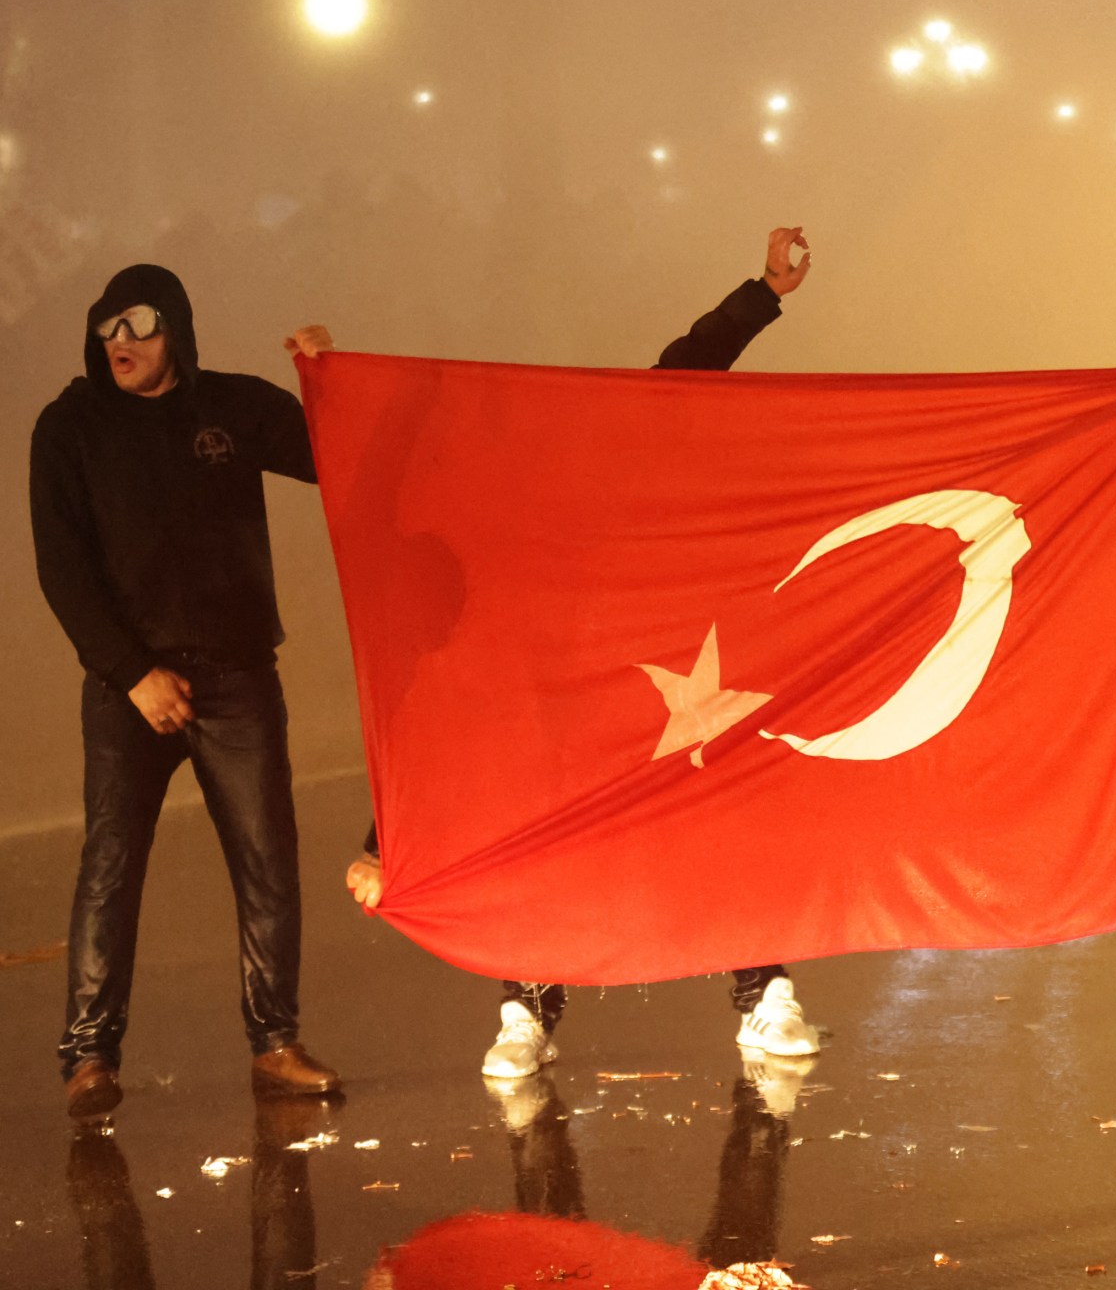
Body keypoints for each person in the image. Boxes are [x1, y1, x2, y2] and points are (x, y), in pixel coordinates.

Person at [344, 227, 825, 1079]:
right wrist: (381, 845)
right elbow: (440, 716)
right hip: (558, 695)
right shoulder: (488, 532)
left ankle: (763, 991)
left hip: (665, 667)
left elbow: (688, 366)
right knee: (533, 819)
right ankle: (524, 1003)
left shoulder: (601, 441)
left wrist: (765, 292)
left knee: (725, 797)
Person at [30, 264, 341, 1120]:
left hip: (237, 674)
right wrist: (133, 674)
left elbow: (335, 454)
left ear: (177, 328)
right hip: (127, 684)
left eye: (138, 326)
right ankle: (89, 1057)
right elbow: (62, 567)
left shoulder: (233, 408)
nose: (120, 345)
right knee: (110, 867)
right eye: (108, 330)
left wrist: (327, 377)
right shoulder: (69, 428)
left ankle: (275, 1044)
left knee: (268, 860)